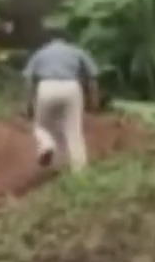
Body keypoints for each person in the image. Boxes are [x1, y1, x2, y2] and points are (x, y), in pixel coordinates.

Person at [22, 35, 100, 172]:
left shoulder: (41, 52)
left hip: (46, 87)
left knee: (41, 126)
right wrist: (94, 99)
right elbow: (92, 77)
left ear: (50, 40)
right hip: (71, 87)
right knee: (73, 130)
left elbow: (28, 79)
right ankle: (79, 171)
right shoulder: (76, 51)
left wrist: (28, 104)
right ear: (66, 40)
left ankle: (47, 145)